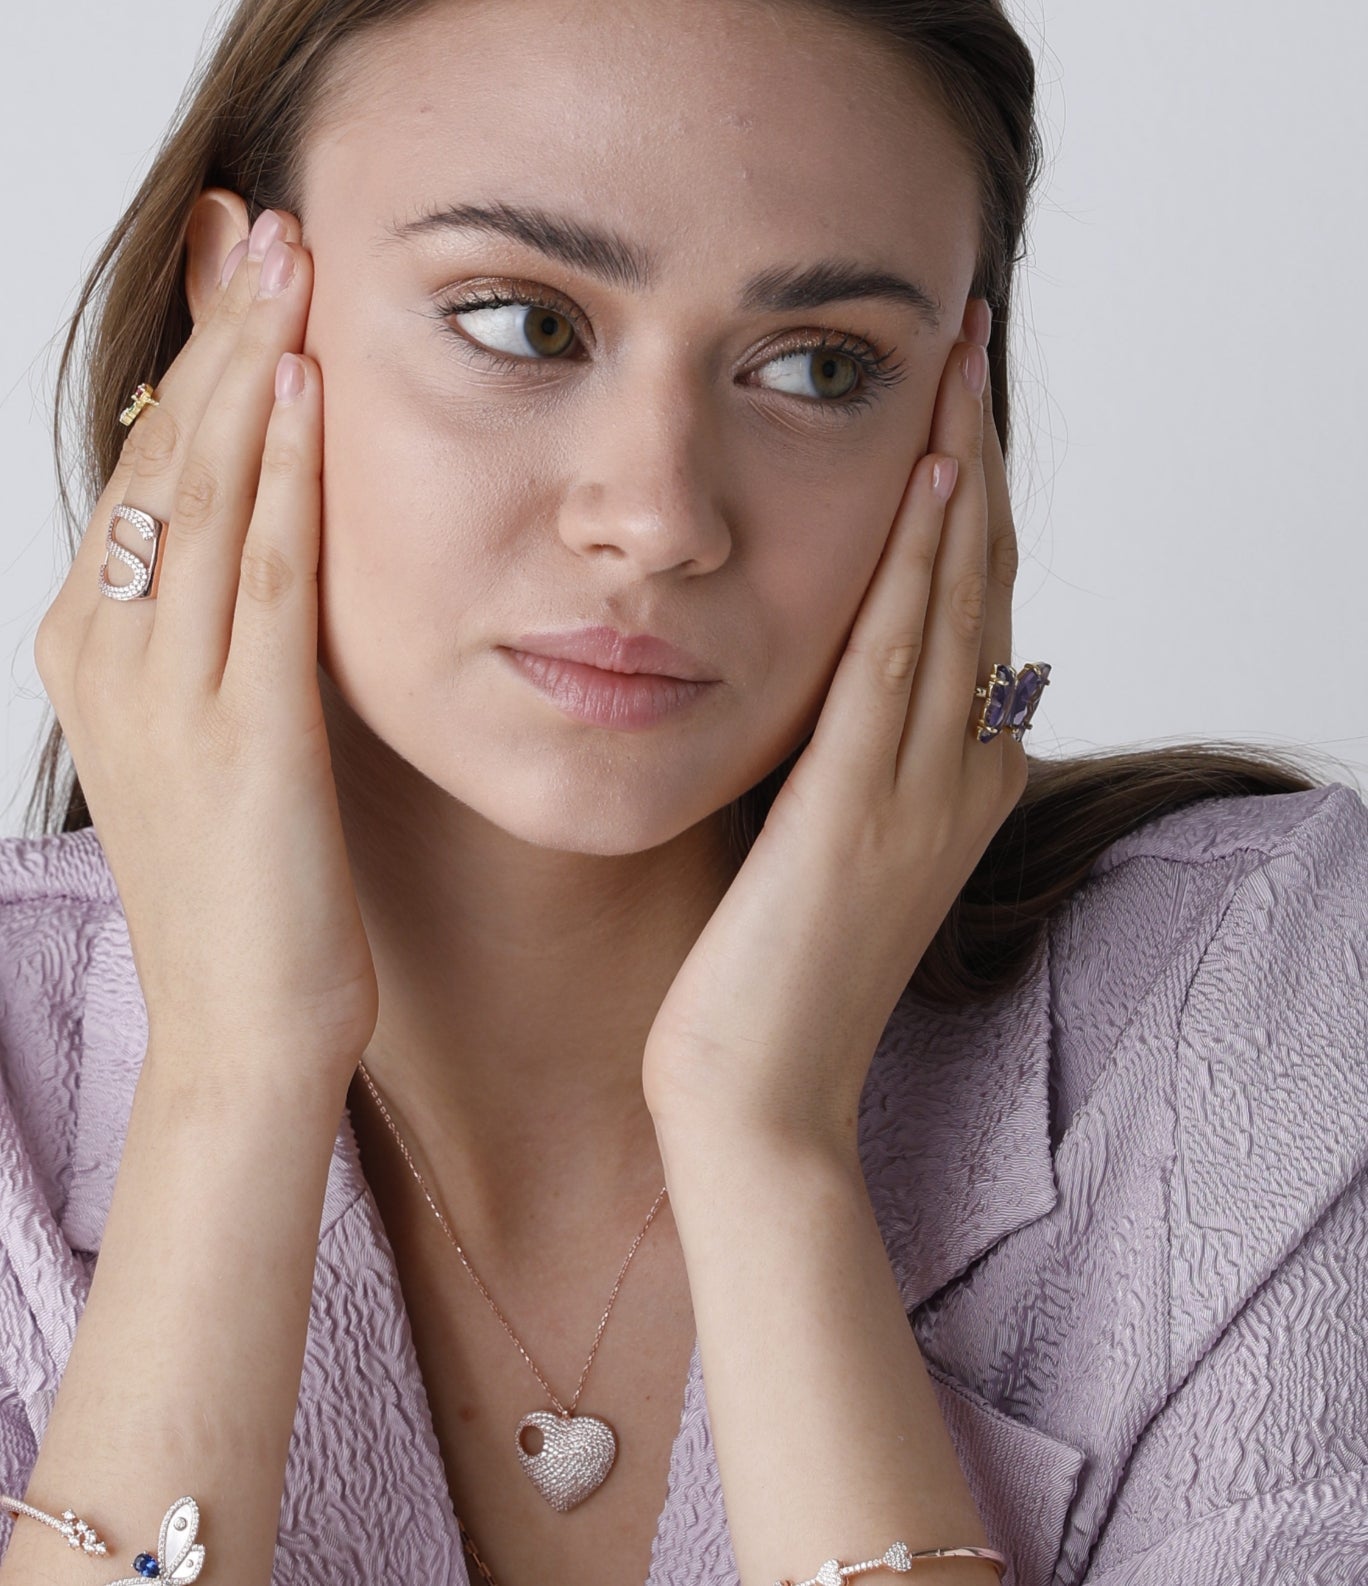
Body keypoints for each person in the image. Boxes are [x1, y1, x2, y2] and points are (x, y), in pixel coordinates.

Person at [1, 0, 1365, 1583]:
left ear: (954, 415)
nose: (656, 516)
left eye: (817, 363)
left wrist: (766, 1136)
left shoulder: (1250, 1016)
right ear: (237, 304)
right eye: (524, 322)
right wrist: (230, 1078)